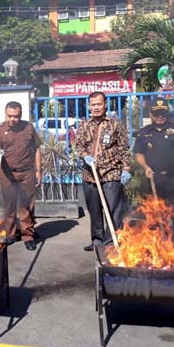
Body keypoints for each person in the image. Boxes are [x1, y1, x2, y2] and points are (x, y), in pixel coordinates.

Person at [76, 91, 131, 251]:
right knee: (94, 211)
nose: (96, 107)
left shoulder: (115, 124)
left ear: (105, 104)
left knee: (114, 210)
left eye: (99, 104)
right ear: (88, 106)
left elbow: (124, 148)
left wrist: (126, 168)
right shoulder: (84, 124)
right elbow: (78, 145)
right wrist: (85, 155)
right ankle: (97, 240)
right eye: (93, 104)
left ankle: (112, 241)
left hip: (111, 174)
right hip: (90, 175)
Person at [133, 97, 174, 239]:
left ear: (167, 113)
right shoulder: (143, 133)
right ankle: (158, 242)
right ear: (150, 114)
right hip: (153, 178)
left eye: (163, 113)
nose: (160, 116)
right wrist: (145, 167)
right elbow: (139, 154)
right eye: (156, 113)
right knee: (154, 212)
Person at [0, 101, 42, 251]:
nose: (13, 119)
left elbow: (37, 149)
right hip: (7, 173)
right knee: (9, 205)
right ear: (5, 114)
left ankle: (28, 236)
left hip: (27, 172)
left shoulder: (28, 128)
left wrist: (38, 170)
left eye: (16, 116)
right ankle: (11, 234)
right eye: (10, 116)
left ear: (21, 115)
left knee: (26, 205)